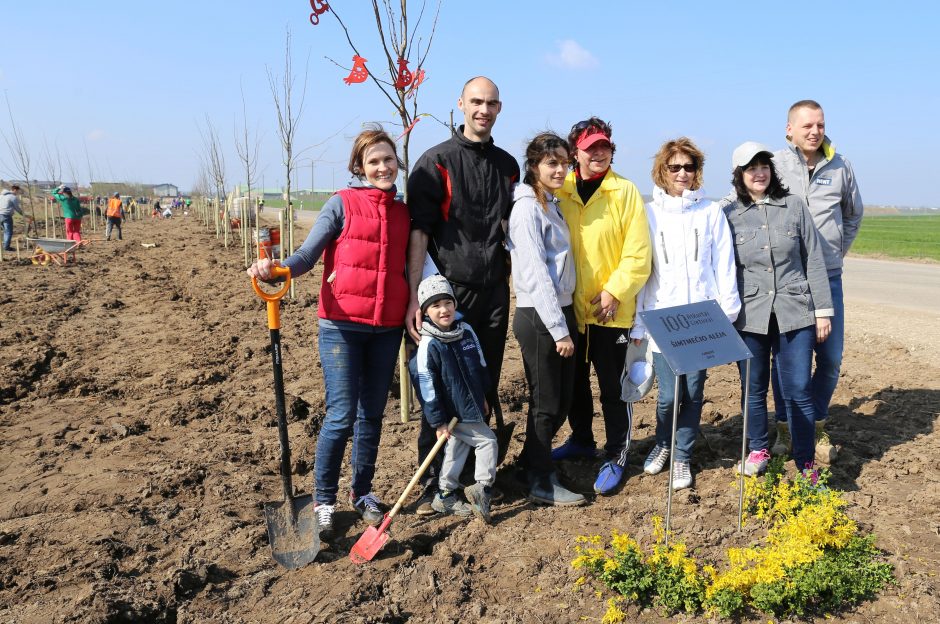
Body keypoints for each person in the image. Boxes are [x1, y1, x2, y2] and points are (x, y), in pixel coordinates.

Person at [247, 125, 410, 538]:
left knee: (371, 415)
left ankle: (363, 492)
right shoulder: (341, 203)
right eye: (373, 161)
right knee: (340, 415)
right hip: (340, 325)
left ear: (397, 163)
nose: (382, 166)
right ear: (360, 167)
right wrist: (275, 268)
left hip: (387, 327)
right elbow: (307, 255)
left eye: (388, 159)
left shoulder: (405, 212)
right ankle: (323, 499)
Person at [406, 76, 520, 514]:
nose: (483, 110)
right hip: (445, 298)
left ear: (499, 108)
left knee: (482, 385)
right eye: (476, 101)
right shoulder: (434, 163)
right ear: (460, 104)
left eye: (491, 103)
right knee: (440, 389)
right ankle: (432, 482)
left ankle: (475, 479)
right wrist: (417, 298)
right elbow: (419, 233)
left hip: (493, 294)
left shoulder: (508, 166)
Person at [630, 138, 741, 491]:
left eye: (688, 167)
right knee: (667, 396)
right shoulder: (648, 214)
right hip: (664, 320)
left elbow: (724, 267)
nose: (681, 173)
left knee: (693, 393)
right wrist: (638, 322)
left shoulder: (710, 213)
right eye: (674, 167)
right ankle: (663, 442)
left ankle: (681, 456)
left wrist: (726, 314)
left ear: (697, 172)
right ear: (662, 171)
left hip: (702, 321)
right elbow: (642, 272)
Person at [551, 117, 652, 496]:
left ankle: (618, 453)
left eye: (604, 146)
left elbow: (638, 254)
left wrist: (614, 291)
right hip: (572, 311)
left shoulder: (625, 192)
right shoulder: (560, 188)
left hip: (613, 312)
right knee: (574, 383)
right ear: (574, 150)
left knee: (613, 387)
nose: (598, 153)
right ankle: (580, 437)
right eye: (590, 147)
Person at [724, 142, 833, 476]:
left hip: (794, 310)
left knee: (798, 389)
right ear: (739, 176)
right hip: (750, 315)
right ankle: (758, 450)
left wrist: (823, 310)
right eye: (751, 168)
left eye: (764, 166)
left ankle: (805, 460)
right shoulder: (728, 215)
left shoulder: (794, 206)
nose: (759, 172)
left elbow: (813, 258)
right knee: (753, 389)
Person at [769, 100, 864, 463]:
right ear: (789, 129)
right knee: (786, 359)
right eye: (807, 125)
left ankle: (816, 423)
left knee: (830, 358)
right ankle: (783, 427)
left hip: (829, 276)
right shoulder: (774, 165)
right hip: (789, 281)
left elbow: (853, 215)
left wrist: (835, 252)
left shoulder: (841, 167)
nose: (815, 131)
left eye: (820, 125)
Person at [506, 132, 585, 506]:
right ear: (534, 166)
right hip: (539, 316)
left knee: (562, 401)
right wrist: (558, 329)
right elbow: (536, 274)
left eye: (565, 163)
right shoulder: (527, 209)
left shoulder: (552, 205)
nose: (560, 170)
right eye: (551, 163)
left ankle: (529, 463)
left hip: (560, 309)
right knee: (547, 402)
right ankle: (540, 479)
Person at [410, 274, 498, 523]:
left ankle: (445, 494)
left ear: (455, 304)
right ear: (426, 311)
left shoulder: (466, 331)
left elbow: (480, 365)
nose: (443, 310)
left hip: (470, 405)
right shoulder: (429, 344)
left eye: (447, 303)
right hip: (452, 409)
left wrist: (483, 396)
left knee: (458, 448)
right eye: (435, 306)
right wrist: (437, 421)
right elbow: (427, 387)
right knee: (487, 442)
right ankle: (483, 487)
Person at [1, 184, 30, 251]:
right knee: (8, 232)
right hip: (6, 215)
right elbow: (17, 209)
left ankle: (5, 245)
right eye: (18, 192)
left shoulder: (1, 195)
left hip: (0, 214)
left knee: (5, 231)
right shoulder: (13, 197)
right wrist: (25, 215)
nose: (18, 193)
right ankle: (6, 248)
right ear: (15, 190)